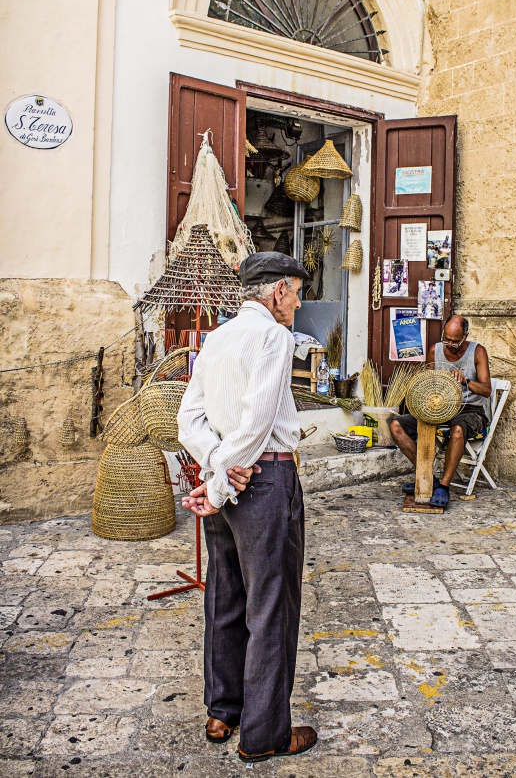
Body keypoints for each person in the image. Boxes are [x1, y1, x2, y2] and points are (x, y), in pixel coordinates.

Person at [177, 252, 318, 765]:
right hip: (264, 480)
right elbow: (257, 425)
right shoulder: (274, 337)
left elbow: (188, 419)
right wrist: (219, 483)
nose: (299, 303)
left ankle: (223, 710)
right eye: (297, 292)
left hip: (231, 480)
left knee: (227, 593)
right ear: (277, 291)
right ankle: (263, 735)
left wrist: (215, 470)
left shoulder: (217, 338)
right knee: (271, 606)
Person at [389, 315, 491, 507]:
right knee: (396, 425)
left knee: (458, 430)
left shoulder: (477, 352)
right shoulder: (435, 350)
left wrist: (466, 381)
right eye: (447, 339)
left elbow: (486, 390)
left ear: (465, 335)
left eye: (455, 341)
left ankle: (443, 487)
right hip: (439, 408)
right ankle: (427, 476)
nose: (450, 344)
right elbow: (429, 385)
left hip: (470, 410)